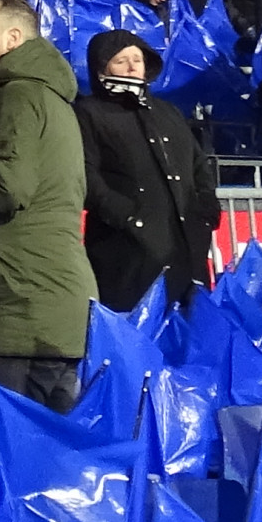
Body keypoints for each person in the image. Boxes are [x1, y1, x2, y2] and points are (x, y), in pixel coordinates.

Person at [0, 0, 95, 407]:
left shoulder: (16, 96)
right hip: (37, 305)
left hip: (18, 308)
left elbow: (2, 190)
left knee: (7, 454)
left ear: (13, 39)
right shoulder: (44, 95)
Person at [75, 26, 221, 313]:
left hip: (186, 251)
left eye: (137, 59)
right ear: (101, 68)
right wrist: (126, 216)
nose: (131, 67)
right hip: (125, 255)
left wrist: (206, 212)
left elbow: (198, 165)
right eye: (120, 60)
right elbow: (85, 174)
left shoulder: (168, 112)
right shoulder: (88, 112)